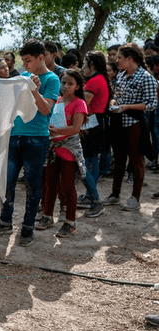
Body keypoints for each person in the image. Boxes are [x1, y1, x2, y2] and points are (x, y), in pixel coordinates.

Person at [0, 38, 60, 247]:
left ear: (40, 58)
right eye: (22, 61)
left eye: (27, 60)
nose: (24, 65)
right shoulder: (23, 77)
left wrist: (35, 90)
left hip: (37, 138)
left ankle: (28, 227)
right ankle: (5, 221)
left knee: (32, 184)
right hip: (14, 136)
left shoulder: (52, 79)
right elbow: (4, 95)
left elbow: (46, 110)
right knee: (7, 182)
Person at [102, 43, 158, 210]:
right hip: (118, 122)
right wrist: (114, 102)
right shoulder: (121, 75)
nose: (117, 61)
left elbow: (151, 104)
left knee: (135, 160)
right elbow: (116, 95)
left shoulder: (146, 77)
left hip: (134, 123)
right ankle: (115, 194)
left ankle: (135, 197)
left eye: (120, 58)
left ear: (130, 58)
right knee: (118, 159)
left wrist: (126, 107)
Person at [35, 70, 87, 237]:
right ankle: (48, 216)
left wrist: (56, 131)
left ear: (77, 86)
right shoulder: (56, 101)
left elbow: (75, 129)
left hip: (69, 150)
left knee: (68, 186)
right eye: (63, 82)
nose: (65, 86)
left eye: (70, 84)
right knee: (50, 185)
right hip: (52, 148)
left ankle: (70, 222)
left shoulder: (79, 103)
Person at [76, 51, 111, 217]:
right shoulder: (101, 79)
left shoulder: (94, 82)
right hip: (96, 123)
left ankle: (94, 198)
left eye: (84, 63)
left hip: (91, 124)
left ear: (92, 65)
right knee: (91, 160)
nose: (82, 67)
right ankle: (91, 195)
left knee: (86, 162)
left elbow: (84, 104)